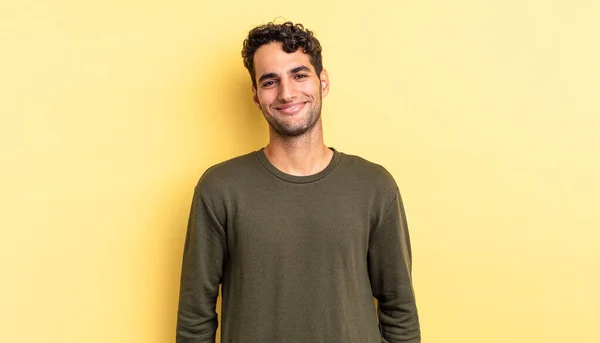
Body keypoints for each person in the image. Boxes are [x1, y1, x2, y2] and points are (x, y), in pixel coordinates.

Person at [176, 21, 420, 343]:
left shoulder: (374, 186)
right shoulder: (219, 189)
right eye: (269, 81)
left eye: (299, 75)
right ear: (255, 94)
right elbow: (195, 319)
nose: (286, 93)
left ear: (323, 81)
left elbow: (399, 309)